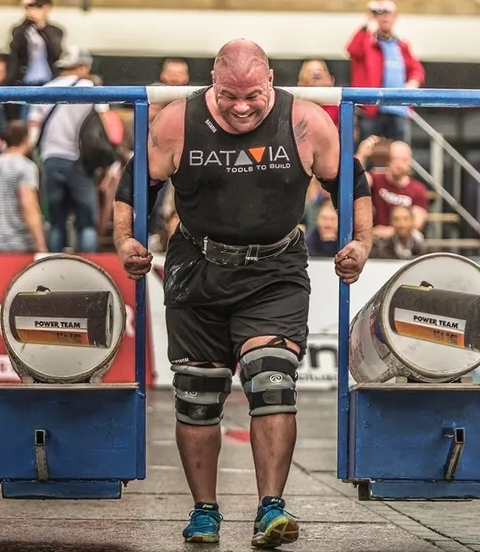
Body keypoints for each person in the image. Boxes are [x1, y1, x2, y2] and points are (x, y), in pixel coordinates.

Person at [113, 39, 372, 548]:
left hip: (274, 270)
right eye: (229, 95)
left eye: (252, 94)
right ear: (213, 82)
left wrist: (360, 244)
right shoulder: (176, 122)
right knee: (197, 396)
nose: (241, 106)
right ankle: (204, 511)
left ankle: (270, 507)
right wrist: (125, 240)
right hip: (197, 268)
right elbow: (134, 184)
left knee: (271, 380)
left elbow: (353, 183)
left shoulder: (306, 122)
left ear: (270, 81)